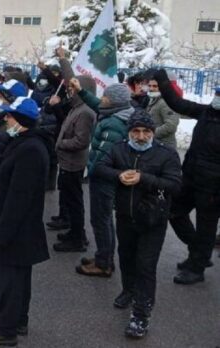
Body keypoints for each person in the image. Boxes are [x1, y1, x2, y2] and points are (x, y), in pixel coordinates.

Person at [94, 114, 181, 339]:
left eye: (146, 132)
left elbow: (174, 184)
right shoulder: (119, 148)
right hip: (125, 216)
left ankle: (141, 314)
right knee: (126, 257)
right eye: (136, 132)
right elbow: (100, 167)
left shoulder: (166, 153)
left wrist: (143, 178)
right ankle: (128, 290)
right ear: (129, 132)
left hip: (153, 220)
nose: (141, 137)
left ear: (152, 133)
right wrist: (119, 174)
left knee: (145, 265)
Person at [0, 97, 50, 346]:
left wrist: (2, 232)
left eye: (10, 116)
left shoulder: (30, 150)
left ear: (22, 121)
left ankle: (5, 330)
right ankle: (18, 321)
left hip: (17, 230)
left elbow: (19, 197)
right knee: (19, 280)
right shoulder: (23, 143)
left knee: (12, 283)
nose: (6, 119)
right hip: (20, 229)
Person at [154, 69, 220, 285]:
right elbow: (178, 103)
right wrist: (162, 79)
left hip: (213, 188)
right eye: (217, 95)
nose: (216, 99)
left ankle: (197, 267)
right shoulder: (207, 112)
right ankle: (198, 251)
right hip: (190, 178)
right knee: (173, 212)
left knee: (206, 226)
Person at [75, 82, 134, 277]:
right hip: (106, 177)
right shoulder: (118, 113)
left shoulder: (114, 123)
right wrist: (81, 90)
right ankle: (104, 256)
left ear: (114, 101)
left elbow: (104, 155)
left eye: (106, 96)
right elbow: (97, 104)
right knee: (105, 219)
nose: (102, 99)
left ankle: (103, 264)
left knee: (101, 220)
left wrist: (91, 169)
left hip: (104, 178)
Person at [51, 69, 97, 253]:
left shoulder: (85, 112)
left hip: (73, 163)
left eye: (72, 87)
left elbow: (81, 141)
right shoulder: (76, 107)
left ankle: (78, 238)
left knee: (75, 202)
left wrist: (60, 143)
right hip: (67, 161)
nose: (69, 91)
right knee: (70, 200)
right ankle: (75, 232)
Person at [145, 78, 179, 148]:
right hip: (155, 144)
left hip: (165, 146)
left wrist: (151, 133)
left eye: (155, 86)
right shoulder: (154, 99)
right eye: (150, 85)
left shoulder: (166, 102)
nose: (151, 88)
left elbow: (171, 126)